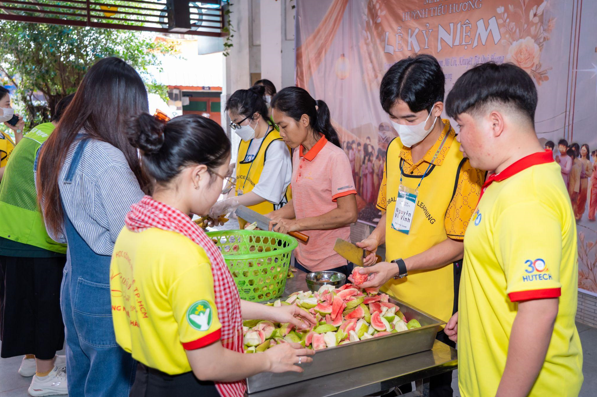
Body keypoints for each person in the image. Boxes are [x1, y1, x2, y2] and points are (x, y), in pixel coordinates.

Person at [111, 113, 315, 397]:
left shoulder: (131, 231)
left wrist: (273, 312)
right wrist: (269, 359)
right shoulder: (184, 254)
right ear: (198, 175)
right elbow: (208, 364)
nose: (222, 187)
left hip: (146, 382)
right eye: (222, 177)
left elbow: (193, 306)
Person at [443, 62, 583, 397]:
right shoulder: (505, 179)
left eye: (460, 126)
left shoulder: (526, 197)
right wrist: (477, 309)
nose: (457, 138)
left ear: (495, 123)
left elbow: (538, 313)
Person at [355, 54, 485, 397]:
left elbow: (459, 243)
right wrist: (376, 237)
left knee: (436, 382)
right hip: (393, 289)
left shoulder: (464, 160)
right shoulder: (395, 149)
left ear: (437, 109)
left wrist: (398, 266)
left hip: (438, 301)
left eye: (409, 118)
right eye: (393, 118)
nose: (400, 127)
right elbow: (394, 206)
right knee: (392, 377)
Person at [37, 57, 153, 396]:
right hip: (108, 291)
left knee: (83, 379)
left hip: (74, 285)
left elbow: (55, 232)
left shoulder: (57, 147)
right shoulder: (106, 158)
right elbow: (138, 235)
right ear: (120, 107)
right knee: (111, 386)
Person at [0, 95, 73, 396]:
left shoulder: (40, 131)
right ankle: (43, 376)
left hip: (15, 231)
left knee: (27, 303)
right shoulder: (56, 141)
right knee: (45, 306)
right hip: (34, 236)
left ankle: (34, 361)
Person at [267, 87, 358, 276]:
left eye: (284, 126)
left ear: (305, 120)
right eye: (278, 128)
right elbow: (303, 200)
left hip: (332, 261)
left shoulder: (334, 157)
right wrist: (276, 215)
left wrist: (297, 224)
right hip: (303, 257)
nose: (281, 133)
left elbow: (349, 213)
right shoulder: (297, 153)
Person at [210, 85, 292, 224]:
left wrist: (227, 204)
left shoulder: (276, 145)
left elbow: (265, 192)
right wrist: (225, 205)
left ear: (256, 116)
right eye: (233, 124)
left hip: (271, 227)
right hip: (248, 225)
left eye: (238, 123)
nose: (237, 129)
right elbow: (239, 181)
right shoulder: (245, 142)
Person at [0, 86, 25, 180]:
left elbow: (18, 155)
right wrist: (21, 166)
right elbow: (19, 160)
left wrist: (18, 131)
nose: (10, 108)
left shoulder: (2, 135)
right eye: (7, 104)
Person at [576, 144, 592, 221]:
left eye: (584, 150)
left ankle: (579, 214)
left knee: (582, 198)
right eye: (581, 150)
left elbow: (590, 173)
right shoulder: (577, 160)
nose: (582, 151)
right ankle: (574, 212)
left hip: (584, 182)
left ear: (587, 152)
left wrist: (583, 173)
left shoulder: (588, 162)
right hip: (576, 181)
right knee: (575, 197)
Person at [568, 147, 581, 217]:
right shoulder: (569, 166)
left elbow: (577, 180)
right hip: (569, 189)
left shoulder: (576, 167)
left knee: (574, 204)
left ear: (571, 157)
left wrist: (575, 192)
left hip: (573, 191)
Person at [590, 151, 597, 221]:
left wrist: (594, 170)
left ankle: (591, 215)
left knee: (593, 201)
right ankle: (591, 215)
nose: (593, 158)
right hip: (593, 185)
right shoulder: (594, 164)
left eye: (594, 156)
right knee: (593, 201)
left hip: (595, 186)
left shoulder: (595, 165)